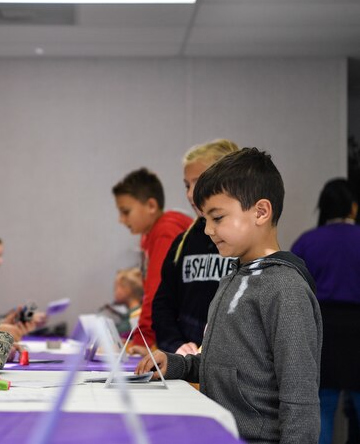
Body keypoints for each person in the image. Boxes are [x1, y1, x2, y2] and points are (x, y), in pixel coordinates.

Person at [136, 148, 322, 444]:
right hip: (219, 434)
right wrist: (177, 364)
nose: (208, 230)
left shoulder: (286, 289)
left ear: (261, 211)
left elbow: (299, 398)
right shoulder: (233, 279)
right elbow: (222, 365)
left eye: (218, 217)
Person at [152, 139, 239, 355]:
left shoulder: (243, 243)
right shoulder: (183, 243)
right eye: (186, 185)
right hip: (186, 362)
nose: (191, 194)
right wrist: (176, 344)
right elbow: (163, 305)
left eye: (198, 182)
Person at [291, 178, 360, 444]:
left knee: (324, 408)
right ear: (353, 208)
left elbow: (293, 291)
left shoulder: (307, 242)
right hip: (358, 331)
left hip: (323, 331)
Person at [112, 168, 191, 350]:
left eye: (126, 211)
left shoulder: (166, 230)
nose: (121, 220)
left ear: (151, 206)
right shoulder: (148, 235)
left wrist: (144, 340)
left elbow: (156, 290)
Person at [98, 268, 143, 335]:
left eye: (116, 288)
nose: (114, 292)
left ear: (127, 290)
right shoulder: (130, 315)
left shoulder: (136, 316)